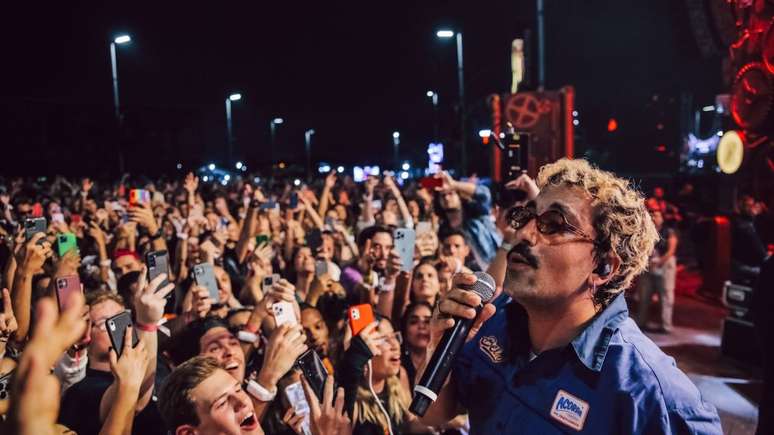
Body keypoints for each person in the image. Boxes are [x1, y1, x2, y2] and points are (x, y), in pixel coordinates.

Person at [420, 158, 722, 434]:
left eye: (553, 224)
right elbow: (435, 414)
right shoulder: (493, 323)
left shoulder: (649, 393)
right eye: (526, 216)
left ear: (604, 266)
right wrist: (439, 343)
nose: (524, 234)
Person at [434, 171, 501, 271]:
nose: (447, 198)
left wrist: (454, 184)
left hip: (494, 270)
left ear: (459, 196)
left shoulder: (478, 217)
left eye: (451, 193)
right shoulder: (443, 229)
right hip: (465, 277)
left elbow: (485, 194)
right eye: (443, 196)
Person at [637, 209, 678, 333]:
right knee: (644, 295)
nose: (654, 218)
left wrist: (659, 262)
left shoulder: (669, 232)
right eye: (652, 215)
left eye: (657, 215)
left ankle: (666, 326)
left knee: (665, 295)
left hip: (665, 264)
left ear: (662, 218)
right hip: (648, 264)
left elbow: (671, 250)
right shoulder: (646, 231)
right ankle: (641, 322)